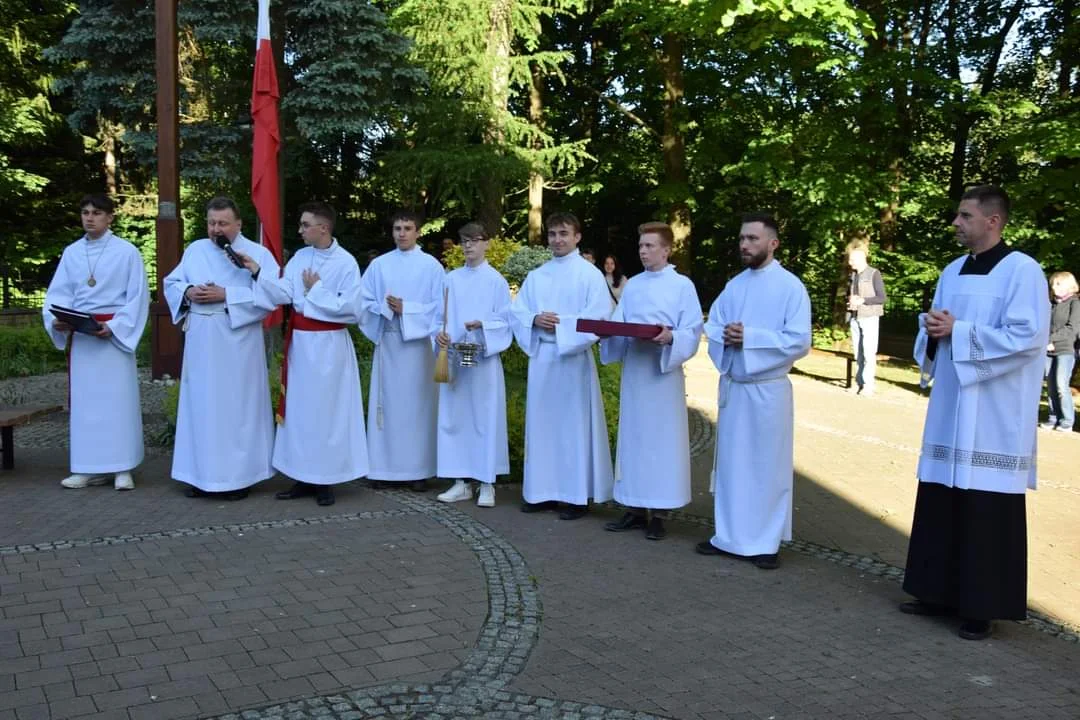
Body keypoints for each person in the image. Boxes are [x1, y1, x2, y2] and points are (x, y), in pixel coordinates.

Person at [901, 185, 1049, 641]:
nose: (956, 223)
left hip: (994, 412)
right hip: (951, 405)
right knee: (942, 494)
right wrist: (932, 330)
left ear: (993, 221)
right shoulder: (951, 270)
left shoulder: (1022, 271)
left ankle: (981, 606)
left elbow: (1028, 336)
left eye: (965, 216)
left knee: (986, 504)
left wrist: (959, 330)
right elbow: (937, 328)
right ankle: (935, 591)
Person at [695, 213, 811, 569]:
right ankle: (727, 535)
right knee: (732, 465)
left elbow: (800, 340)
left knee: (765, 467)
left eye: (753, 239)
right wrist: (726, 338)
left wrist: (751, 338)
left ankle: (765, 542)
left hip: (767, 391)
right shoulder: (735, 286)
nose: (744, 245)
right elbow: (712, 324)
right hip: (735, 387)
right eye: (742, 238)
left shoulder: (791, 287)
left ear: (773, 243)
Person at [241, 202, 368, 506]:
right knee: (300, 411)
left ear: (323, 228)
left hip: (329, 347)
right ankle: (302, 475)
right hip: (300, 345)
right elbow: (285, 292)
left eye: (305, 224)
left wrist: (317, 291)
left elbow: (352, 309)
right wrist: (258, 272)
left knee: (326, 412)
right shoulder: (300, 257)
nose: (300, 230)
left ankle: (326, 480)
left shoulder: (346, 263)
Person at [163, 196, 279, 500]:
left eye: (223, 223)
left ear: (238, 224)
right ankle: (201, 476)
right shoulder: (195, 250)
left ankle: (238, 478)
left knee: (235, 409)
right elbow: (172, 283)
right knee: (201, 407)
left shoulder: (258, 254)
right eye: (212, 223)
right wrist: (188, 291)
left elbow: (271, 296)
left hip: (237, 342)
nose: (216, 229)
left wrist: (226, 294)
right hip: (202, 340)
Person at [599, 222, 702, 540]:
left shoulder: (682, 285)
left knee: (662, 442)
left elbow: (693, 330)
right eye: (641, 246)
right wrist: (607, 331)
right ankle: (632, 507)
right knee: (635, 439)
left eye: (650, 246)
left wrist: (671, 337)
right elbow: (621, 323)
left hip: (663, 376)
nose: (643, 251)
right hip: (637, 372)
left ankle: (659, 512)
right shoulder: (635, 286)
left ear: (667, 249)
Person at [510, 212, 614, 519]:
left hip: (572, 360)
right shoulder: (537, 275)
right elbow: (517, 313)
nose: (557, 239)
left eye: (563, 234)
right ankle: (541, 492)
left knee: (572, 427)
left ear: (577, 237)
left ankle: (574, 496)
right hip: (543, 359)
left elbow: (599, 319)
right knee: (542, 426)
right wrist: (533, 320)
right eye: (553, 234)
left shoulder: (589, 274)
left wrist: (562, 327)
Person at [43, 193, 149, 491]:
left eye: (96, 213)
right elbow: (57, 295)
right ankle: (86, 468)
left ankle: (122, 468)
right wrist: (57, 321)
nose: (89, 218)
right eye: (85, 212)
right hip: (83, 339)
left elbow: (138, 298)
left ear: (110, 217)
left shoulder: (127, 252)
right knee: (87, 406)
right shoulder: (72, 252)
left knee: (118, 404)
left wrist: (114, 327)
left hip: (112, 338)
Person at [356, 210, 444, 490]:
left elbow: (439, 308)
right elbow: (363, 300)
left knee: (417, 409)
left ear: (418, 232)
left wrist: (408, 310)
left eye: (407, 228)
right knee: (387, 407)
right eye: (397, 228)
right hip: (390, 343)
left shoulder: (431, 266)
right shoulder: (379, 265)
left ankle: (418, 471)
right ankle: (383, 470)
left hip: (418, 348)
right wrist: (384, 308)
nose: (402, 233)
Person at [433, 222, 512, 507]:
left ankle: (487, 482)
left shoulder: (496, 282)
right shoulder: (450, 280)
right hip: (455, 358)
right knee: (456, 419)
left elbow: (506, 322)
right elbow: (437, 315)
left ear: (487, 244)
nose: (468, 246)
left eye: (474, 241)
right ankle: (460, 481)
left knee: (484, 419)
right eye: (464, 241)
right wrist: (439, 336)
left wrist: (483, 327)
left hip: (483, 359)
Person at [846, 241, 887, 396]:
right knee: (858, 353)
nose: (850, 263)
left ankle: (868, 386)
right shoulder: (853, 276)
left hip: (870, 317)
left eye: (852, 259)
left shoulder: (874, 273)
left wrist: (863, 301)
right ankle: (858, 383)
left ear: (861, 258)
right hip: (855, 317)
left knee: (869, 353)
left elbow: (882, 298)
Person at [1041, 271, 1079, 432]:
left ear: (1069, 285)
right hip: (1048, 350)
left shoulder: (1075, 303)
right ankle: (1053, 418)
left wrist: (1050, 340)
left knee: (1061, 385)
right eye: (1053, 284)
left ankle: (1067, 421)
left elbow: (1072, 329)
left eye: (1058, 284)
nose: (1054, 287)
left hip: (1065, 349)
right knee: (1050, 386)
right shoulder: (1052, 305)